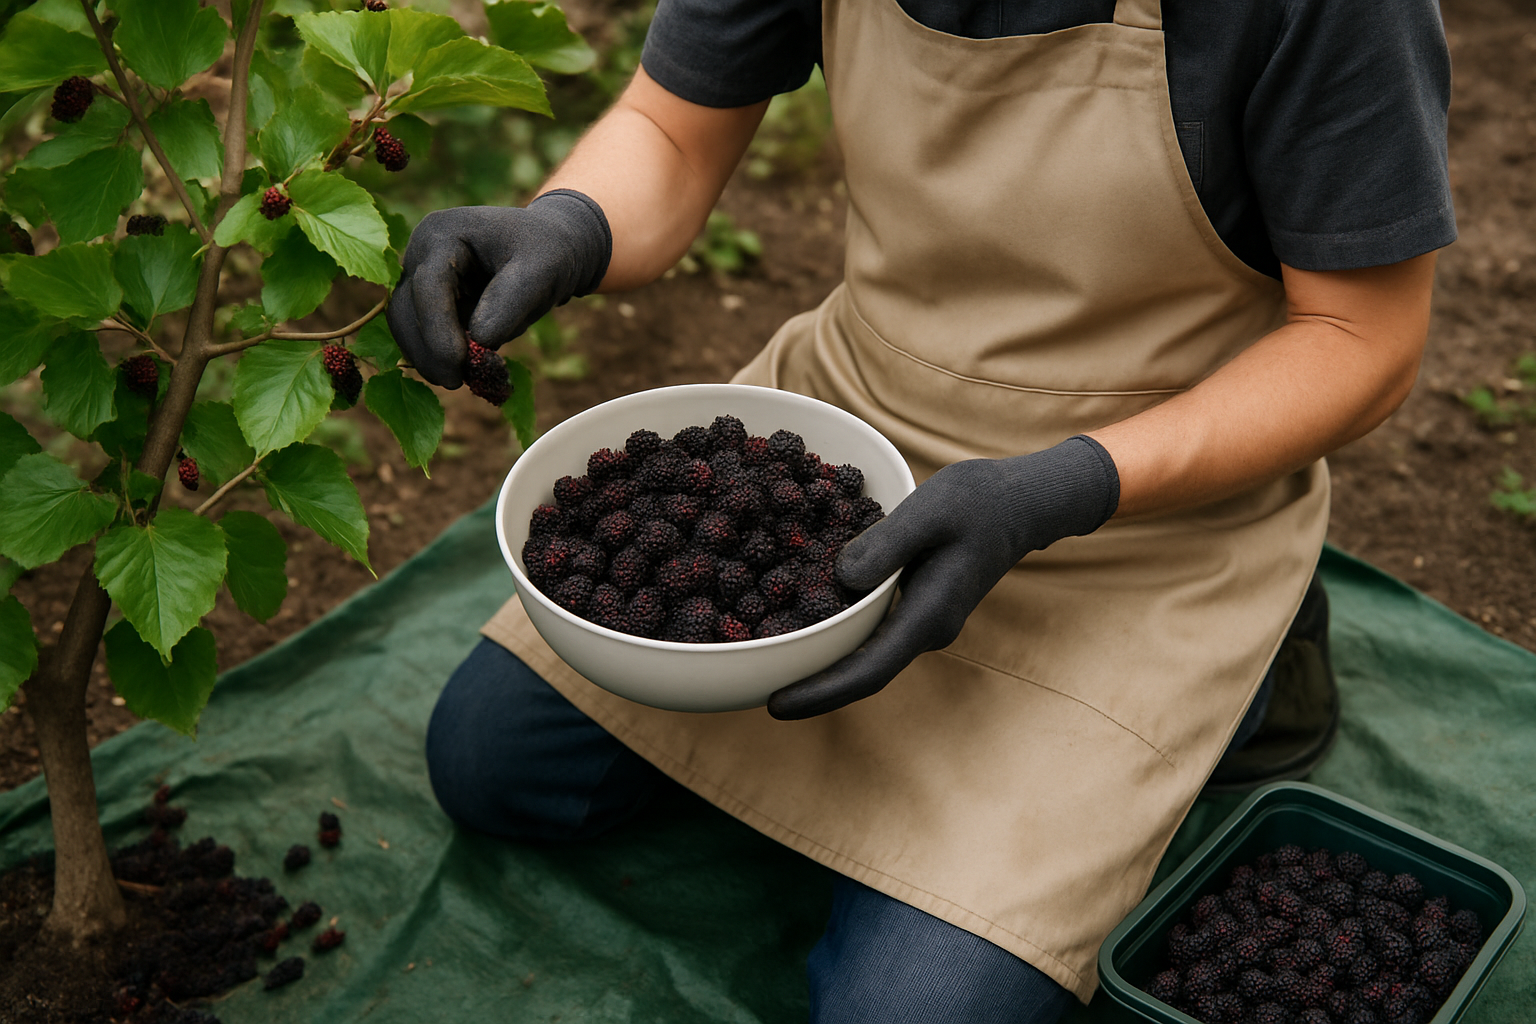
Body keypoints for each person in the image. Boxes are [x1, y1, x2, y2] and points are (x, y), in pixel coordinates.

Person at [387, 0, 1453, 1017]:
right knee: (490, 763)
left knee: (913, 1011)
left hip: (1143, 506)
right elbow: (671, 128)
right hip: (860, 432)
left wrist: (1065, 485)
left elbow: (1363, 340)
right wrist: (566, 226)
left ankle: (1260, 669)